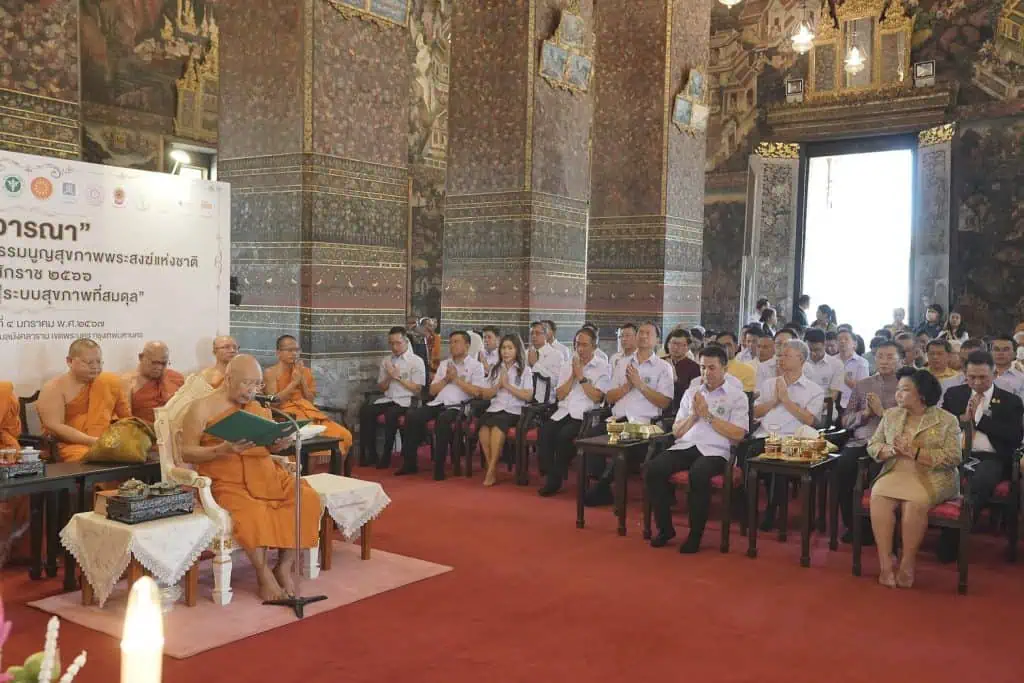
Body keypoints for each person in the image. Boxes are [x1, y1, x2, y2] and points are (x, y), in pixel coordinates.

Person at [180, 355, 322, 602]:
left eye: (257, 385)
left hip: (266, 473)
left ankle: (284, 566)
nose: (252, 391)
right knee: (253, 513)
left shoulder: (258, 407)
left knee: (307, 497)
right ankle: (264, 574)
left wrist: (279, 444)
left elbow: (268, 447)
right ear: (228, 379)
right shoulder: (201, 408)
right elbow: (186, 451)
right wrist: (220, 450)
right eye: (246, 383)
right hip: (226, 479)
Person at [644, 345, 749, 553]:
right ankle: (665, 529)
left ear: (724, 369)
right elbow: (676, 431)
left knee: (699, 474)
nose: (706, 373)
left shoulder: (737, 396)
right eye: (702, 368)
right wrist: (695, 415)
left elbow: (738, 434)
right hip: (686, 445)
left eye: (712, 368)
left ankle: (695, 534)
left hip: (716, 451)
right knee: (653, 468)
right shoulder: (691, 393)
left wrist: (708, 416)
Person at [868, 368, 960, 588]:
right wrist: (889, 451)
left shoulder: (946, 420)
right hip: (895, 470)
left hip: (931, 476)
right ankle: (885, 563)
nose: (898, 394)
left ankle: (907, 563)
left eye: (905, 390)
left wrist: (916, 453)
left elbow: (954, 456)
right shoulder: (891, 415)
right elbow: (872, 445)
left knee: (914, 504)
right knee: (878, 497)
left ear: (922, 394)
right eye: (898, 389)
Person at [939, 350, 1024, 562]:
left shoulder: (1010, 401)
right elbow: (940, 427)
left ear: (995, 375)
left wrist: (979, 420)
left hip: (991, 457)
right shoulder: (954, 394)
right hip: (956, 453)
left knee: (979, 482)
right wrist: (962, 419)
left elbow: (1013, 437)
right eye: (972, 377)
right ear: (965, 375)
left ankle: (953, 537)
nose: (977, 382)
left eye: (983, 377)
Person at [589, 321, 674, 505]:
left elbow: (665, 402)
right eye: (641, 332)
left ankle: (603, 486)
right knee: (591, 435)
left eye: (648, 333)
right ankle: (600, 484)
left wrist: (640, 385)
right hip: (617, 419)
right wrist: (628, 386)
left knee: (625, 443)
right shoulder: (622, 363)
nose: (643, 336)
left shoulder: (663, 367)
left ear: (657, 340)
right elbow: (610, 397)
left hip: (645, 423)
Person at [748, 339, 825, 530]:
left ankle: (772, 511)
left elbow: (810, 421)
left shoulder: (814, 390)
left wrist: (787, 401)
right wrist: (774, 400)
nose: (781, 359)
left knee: (778, 462)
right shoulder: (768, 384)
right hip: (764, 435)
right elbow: (754, 413)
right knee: (746, 452)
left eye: (787, 355)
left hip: (793, 440)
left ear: (801, 359)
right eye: (780, 355)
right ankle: (747, 509)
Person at [835, 340, 903, 542]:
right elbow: (845, 420)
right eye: (880, 356)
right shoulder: (863, 385)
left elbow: (909, 419)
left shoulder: (906, 387)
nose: (884, 361)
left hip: (890, 443)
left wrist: (882, 412)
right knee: (844, 467)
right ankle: (854, 525)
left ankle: (882, 528)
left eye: (890, 357)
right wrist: (864, 414)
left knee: (876, 472)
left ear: (900, 359)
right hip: (862, 440)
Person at [399, 331, 485, 480]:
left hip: (459, 407)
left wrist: (456, 379)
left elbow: (477, 392)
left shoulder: (476, 366)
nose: (452, 345)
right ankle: (409, 463)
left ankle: (439, 467)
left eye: (456, 342)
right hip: (438, 402)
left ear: (467, 345)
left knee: (443, 420)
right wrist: (446, 378)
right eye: (450, 342)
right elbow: (432, 390)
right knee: (413, 415)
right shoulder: (445, 364)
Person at [537, 328, 611, 497]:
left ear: (594, 346)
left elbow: (597, 397)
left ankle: (555, 479)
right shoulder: (567, 364)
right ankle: (550, 474)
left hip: (584, 415)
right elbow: (560, 394)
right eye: (577, 344)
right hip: (564, 411)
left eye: (585, 345)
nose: (580, 349)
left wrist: (582, 378)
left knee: (564, 436)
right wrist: (572, 375)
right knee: (546, 431)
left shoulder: (602, 367)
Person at [38, 339, 131, 462]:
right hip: (69, 445)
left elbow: (126, 418)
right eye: (89, 362)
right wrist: (94, 441)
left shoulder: (109, 383)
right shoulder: (54, 388)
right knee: (93, 458)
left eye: (99, 362)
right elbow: (55, 426)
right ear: (69, 361)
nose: (95, 367)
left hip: (107, 440)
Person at [263, 335, 353, 456]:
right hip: (287, 415)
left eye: (297, 350)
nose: (294, 353)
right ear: (278, 353)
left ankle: (337, 473)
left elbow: (310, 401)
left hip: (309, 413)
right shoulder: (271, 373)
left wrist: (302, 381)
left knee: (344, 434)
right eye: (290, 350)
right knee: (310, 439)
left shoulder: (304, 371)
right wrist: (293, 383)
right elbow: (274, 402)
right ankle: (308, 472)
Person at [359, 327, 426, 469]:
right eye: (391, 343)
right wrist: (390, 376)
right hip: (389, 399)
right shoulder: (386, 361)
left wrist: (399, 377)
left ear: (406, 341)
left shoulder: (416, 361)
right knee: (366, 411)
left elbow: (418, 389)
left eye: (398, 343)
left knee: (391, 415)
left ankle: (387, 455)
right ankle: (371, 454)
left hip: (407, 401)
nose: (394, 347)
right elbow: (382, 388)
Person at [476, 335, 533, 486]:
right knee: (482, 426)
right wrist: (498, 386)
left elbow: (528, 396)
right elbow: (485, 393)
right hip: (495, 407)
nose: (506, 352)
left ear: (517, 350)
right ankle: (492, 468)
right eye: (503, 348)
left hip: (514, 410)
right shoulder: (496, 368)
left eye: (510, 348)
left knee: (497, 426)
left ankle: (491, 470)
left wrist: (507, 386)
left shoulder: (524, 370)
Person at [121, 341, 184, 425]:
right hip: (144, 433)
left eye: (163, 363)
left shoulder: (176, 378)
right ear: (141, 357)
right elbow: (125, 420)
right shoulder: (128, 382)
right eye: (154, 363)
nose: (159, 367)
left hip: (174, 431)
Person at [802, 328, 843, 418]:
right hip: (801, 408)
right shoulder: (800, 362)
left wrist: (813, 411)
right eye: (809, 350)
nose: (813, 353)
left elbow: (833, 395)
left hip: (825, 410)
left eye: (817, 350)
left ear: (825, 345)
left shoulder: (836, 365)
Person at [665, 328, 701, 416]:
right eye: (674, 343)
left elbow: (692, 395)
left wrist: (675, 379)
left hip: (681, 413)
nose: (676, 347)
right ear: (668, 344)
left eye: (681, 345)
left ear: (688, 347)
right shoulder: (660, 362)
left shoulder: (694, 367)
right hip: (658, 411)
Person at [527, 321, 563, 403]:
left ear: (546, 335)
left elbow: (555, 382)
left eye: (537, 333)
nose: (534, 336)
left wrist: (535, 365)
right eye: (531, 333)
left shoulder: (556, 355)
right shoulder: (526, 353)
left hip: (545, 404)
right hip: (525, 400)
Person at [836, 329, 871, 413]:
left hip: (852, 406)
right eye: (839, 339)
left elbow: (863, 389)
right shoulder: (831, 361)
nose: (842, 341)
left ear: (854, 344)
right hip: (832, 404)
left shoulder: (862, 362)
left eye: (846, 339)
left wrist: (843, 377)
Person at [990, 335, 1024, 400]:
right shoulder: (981, 375)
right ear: (991, 353)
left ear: (1015, 354)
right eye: (996, 349)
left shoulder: (1021, 379)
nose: (1000, 353)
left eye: (1005, 350)